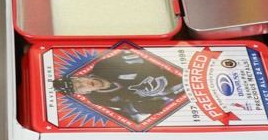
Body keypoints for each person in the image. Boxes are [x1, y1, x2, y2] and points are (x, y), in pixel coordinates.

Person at [52, 49, 183, 122]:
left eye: (79, 81)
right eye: (80, 87)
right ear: (84, 93)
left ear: (81, 76)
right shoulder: (98, 99)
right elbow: (128, 107)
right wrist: (143, 105)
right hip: (170, 93)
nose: (84, 84)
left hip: (174, 71)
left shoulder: (103, 66)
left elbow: (145, 56)